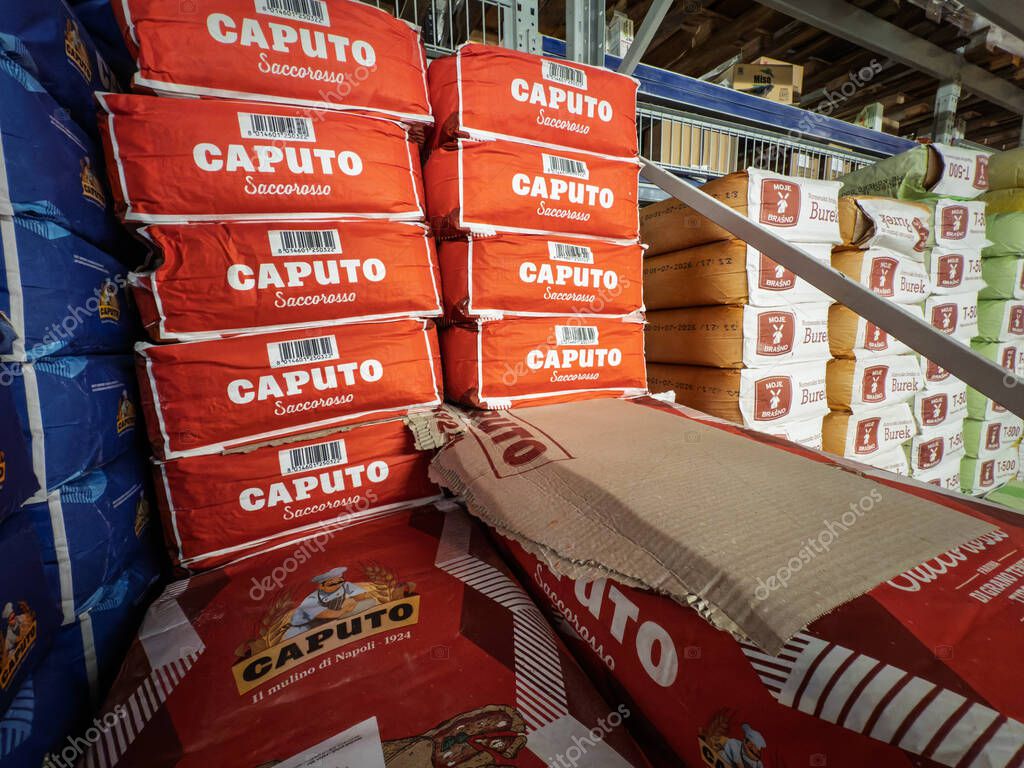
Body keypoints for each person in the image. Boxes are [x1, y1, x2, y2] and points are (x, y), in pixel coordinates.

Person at [283, 567, 375, 640]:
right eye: (331, 584)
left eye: (339, 581)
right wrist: (344, 608)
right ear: (321, 586)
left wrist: (353, 599)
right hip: (306, 626)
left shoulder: (344, 586)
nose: (337, 585)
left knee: (369, 603)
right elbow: (327, 614)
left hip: (332, 622)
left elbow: (362, 597)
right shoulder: (312, 599)